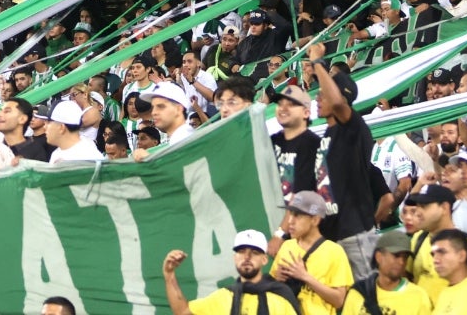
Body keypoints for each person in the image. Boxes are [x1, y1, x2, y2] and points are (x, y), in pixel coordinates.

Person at [302, 40, 377, 278]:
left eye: (322, 95)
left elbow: (336, 102)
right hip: (331, 235)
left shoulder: (354, 126)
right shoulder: (326, 135)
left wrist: (317, 63)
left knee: (367, 300)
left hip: (355, 233)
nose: (317, 99)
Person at [161, 231, 299, 315]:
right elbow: (182, 311)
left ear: (264, 260)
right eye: (241, 251)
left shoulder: (279, 299)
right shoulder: (223, 297)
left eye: (254, 253)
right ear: (235, 257)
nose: (247, 257)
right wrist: (169, 275)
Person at [270, 190, 353, 315]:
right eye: (290, 214)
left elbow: (339, 301)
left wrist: (305, 277)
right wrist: (277, 279)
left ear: (315, 220)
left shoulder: (334, 251)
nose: (290, 221)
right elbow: (272, 292)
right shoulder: (286, 246)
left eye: (297, 215)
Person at [335, 230, 431, 315]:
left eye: (405, 257)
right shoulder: (359, 292)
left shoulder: (418, 296)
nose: (401, 262)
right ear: (379, 257)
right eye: (396, 256)